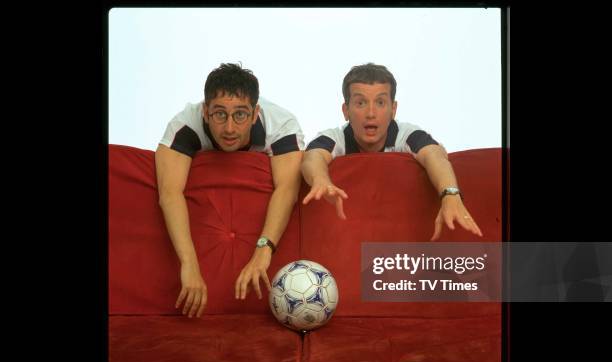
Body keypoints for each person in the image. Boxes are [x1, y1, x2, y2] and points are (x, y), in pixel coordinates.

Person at [156, 63, 304, 318]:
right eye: (219, 114)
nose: (229, 128)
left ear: (256, 113)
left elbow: (287, 189)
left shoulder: (282, 124)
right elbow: (170, 193)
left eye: (240, 115)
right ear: (205, 111)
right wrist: (189, 265)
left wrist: (262, 252)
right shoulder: (184, 124)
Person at [301, 63, 482, 240]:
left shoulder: (407, 134)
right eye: (360, 103)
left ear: (393, 109)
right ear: (345, 110)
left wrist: (450, 194)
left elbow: (434, 154)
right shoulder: (336, 137)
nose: (371, 113)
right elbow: (312, 156)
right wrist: (320, 179)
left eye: (380, 102)